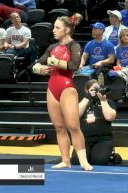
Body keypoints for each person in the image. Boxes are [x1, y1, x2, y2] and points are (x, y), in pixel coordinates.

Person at [32, 16, 93, 171]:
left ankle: (84, 161)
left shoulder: (74, 45)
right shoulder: (52, 47)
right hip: (52, 87)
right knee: (59, 127)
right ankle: (65, 160)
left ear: (66, 29)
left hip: (67, 87)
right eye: (54, 27)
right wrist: (38, 68)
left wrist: (53, 62)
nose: (53, 30)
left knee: (73, 125)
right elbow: (38, 62)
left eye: (57, 28)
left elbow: (74, 65)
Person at [71, 79, 118, 165]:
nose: (95, 92)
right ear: (87, 90)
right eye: (92, 90)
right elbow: (74, 115)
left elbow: (110, 117)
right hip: (84, 139)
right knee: (75, 161)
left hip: (103, 139)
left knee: (99, 161)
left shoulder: (108, 102)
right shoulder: (83, 103)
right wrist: (87, 97)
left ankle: (111, 155)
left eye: (97, 89)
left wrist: (103, 101)